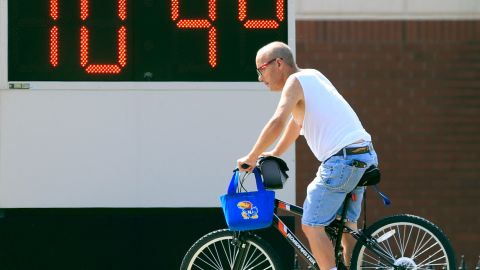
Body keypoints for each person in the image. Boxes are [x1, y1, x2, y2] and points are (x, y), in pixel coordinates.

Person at [237, 41, 378, 270]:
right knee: (346, 225)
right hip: (363, 154)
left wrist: (251, 156)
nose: (260, 78)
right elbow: (295, 125)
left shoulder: (294, 82)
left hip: (341, 160)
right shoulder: (313, 76)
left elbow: (278, 122)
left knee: (312, 225)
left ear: (279, 63)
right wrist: (273, 153)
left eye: (261, 70)